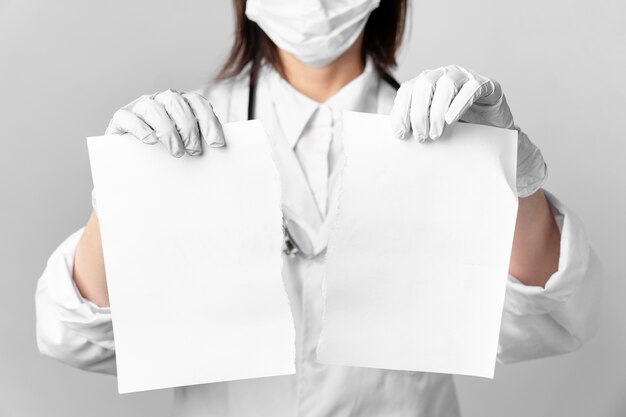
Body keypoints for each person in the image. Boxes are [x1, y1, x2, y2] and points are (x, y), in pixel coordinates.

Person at [35, 0, 603, 416]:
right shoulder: (185, 133)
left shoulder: (450, 132)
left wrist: (512, 177)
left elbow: (549, 326)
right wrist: (121, 195)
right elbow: (75, 337)